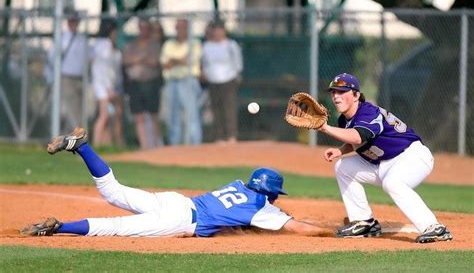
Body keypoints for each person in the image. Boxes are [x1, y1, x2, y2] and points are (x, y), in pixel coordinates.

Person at [20, 127, 326, 238]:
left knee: (112, 192)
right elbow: (296, 227)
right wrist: (335, 232)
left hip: (176, 200)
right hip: (180, 219)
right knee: (114, 227)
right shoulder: (262, 209)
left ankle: (82, 146)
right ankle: (59, 227)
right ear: (271, 194)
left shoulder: (237, 185)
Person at [315, 73, 453, 243]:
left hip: (412, 156)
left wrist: (325, 128)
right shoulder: (344, 119)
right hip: (383, 164)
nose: (336, 96)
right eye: (333, 92)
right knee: (343, 167)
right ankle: (364, 223)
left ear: (356, 95)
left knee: (393, 183)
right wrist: (340, 151)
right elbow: (359, 139)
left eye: (342, 92)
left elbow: (359, 136)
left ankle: (434, 227)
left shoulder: (368, 112)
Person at [46, 9, 89, 132]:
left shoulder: (82, 38)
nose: (73, 23)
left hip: (80, 78)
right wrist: (50, 78)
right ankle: (77, 137)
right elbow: (51, 58)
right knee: (71, 109)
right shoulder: (62, 38)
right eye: (71, 21)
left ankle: (71, 136)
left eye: (75, 21)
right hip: (66, 78)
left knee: (79, 109)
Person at [160, 18, 203, 145]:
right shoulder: (168, 44)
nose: (180, 30)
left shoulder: (194, 43)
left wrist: (173, 61)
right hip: (172, 82)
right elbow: (165, 65)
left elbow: (189, 61)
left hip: (188, 81)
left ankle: (195, 146)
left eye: (183, 27)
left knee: (192, 116)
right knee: (173, 117)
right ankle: (174, 147)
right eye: (178, 27)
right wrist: (179, 60)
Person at [123, 18, 162, 149]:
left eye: (146, 28)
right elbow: (126, 60)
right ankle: (144, 147)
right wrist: (142, 58)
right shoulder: (131, 45)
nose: (143, 31)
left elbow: (154, 61)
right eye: (141, 28)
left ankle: (156, 146)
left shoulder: (155, 45)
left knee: (153, 115)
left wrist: (136, 59)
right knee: (138, 116)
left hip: (151, 83)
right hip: (135, 84)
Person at [201, 20, 243, 143]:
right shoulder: (207, 46)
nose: (218, 33)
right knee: (216, 108)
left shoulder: (231, 45)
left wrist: (236, 75)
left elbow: (237, 63)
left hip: (229, 79)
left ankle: (231, 135)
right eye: (216, 30)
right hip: (213, 80)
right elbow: (204, 63)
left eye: (220, 30)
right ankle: (219, 136)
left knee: (229, 108)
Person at [91, 19, 124, 147]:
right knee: (104, 116)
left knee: (112, 116)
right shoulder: (104, 45)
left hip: (109, 86)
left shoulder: (107, 45)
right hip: (104, 87)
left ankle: (108, 145)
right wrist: (109, 88)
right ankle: (97, 145)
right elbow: (104, 69)